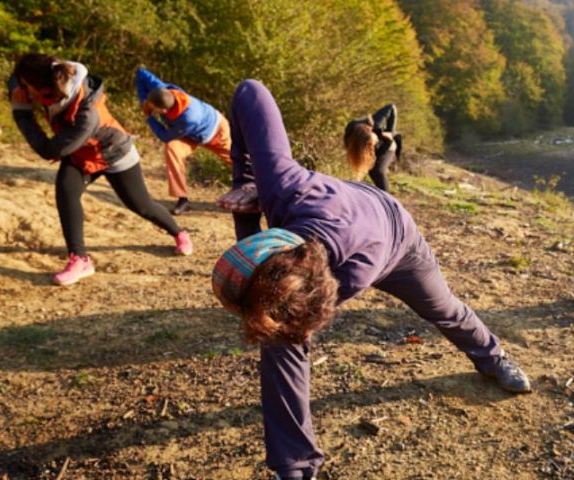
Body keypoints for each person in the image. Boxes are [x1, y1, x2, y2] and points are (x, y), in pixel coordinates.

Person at [213, 80, 531, 480]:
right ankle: (295, 467)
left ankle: (493, 357)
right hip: (340, 217)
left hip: (398, 239)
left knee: (444, 308)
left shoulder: (354, 270)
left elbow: (292, 324)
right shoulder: (283, 184)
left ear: (323, 301)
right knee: (279, 337)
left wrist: (278, 322)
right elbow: (249, 91)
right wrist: (246, 182)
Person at [9, 54, 193, 286]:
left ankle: (179, 232)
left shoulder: (87, 114)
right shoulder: (53, 79)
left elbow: (50, 150)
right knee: (66, 193)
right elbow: (15, 82)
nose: (25, 91)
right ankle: (80, 259)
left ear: (42, 88)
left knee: (141, 205)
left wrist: (22, 112)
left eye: (28, 88)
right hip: (80, 155)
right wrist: (21, 94)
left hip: (114, 152)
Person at [135, 68, 232, 215]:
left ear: (164, 111)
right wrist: (144, 100)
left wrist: (149, 117)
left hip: (216, 132)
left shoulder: (188, 118)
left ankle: (263, 190)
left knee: (239, 161)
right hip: (189, 135)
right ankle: (183, 199)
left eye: (154, 109)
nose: (151, 109)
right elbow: (140, 73)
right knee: (172, 149)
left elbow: (164, 136)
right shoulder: (162, 91)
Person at [344, 104, 402, 192]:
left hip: (387, 143)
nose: (374, 145)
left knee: (377, 171)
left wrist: (390, 131)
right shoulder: (350, 132)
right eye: (371, 145)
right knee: (364, 168)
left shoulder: (376, 123)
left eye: (374, 143)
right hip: (362, 143)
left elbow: (391, 107)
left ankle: (386, 198)